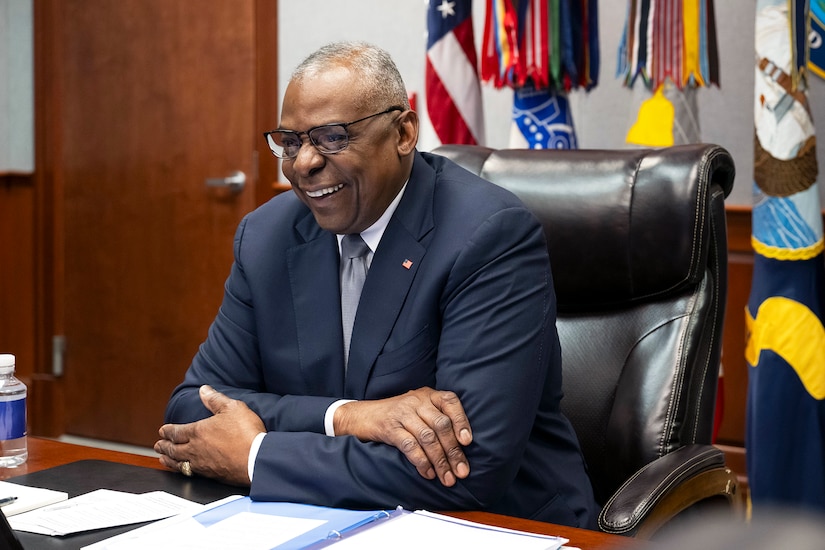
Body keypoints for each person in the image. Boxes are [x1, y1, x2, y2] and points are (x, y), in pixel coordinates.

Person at [155, 41, 599, 529]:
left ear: (404, 133)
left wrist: (258, 454)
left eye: (330, 137)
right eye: (290, 141)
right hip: (315, 520)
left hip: (494, 525)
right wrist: (349, 417)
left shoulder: (488, 235)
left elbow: (473, 467)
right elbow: (193, 405)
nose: (303, 163)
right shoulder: (267, 236)